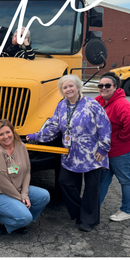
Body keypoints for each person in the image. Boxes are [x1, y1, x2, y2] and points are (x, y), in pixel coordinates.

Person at [27, 74, 111, 232]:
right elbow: (53, 127)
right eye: (65, 87)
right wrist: (35, 136)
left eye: (71, 86)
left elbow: (104, 125)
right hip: (70, 154)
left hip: (92, 154)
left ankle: (88, 220)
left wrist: (103, 147)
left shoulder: (91, 104)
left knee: (91, 188)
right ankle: (81, 212)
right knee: (64, 182)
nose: (68, 89)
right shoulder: (61, 105)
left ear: (78, 87)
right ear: (62, 91)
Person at [0, 119, 51, 234]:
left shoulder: (21, 146)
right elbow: (3, 183)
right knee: (25, 217)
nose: (5, 136)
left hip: (17, 189)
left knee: (44, 196)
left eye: (8, 132)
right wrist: (21, 199)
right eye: (1, 134)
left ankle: (18, 219)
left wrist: (24, 194)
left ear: (13, 132)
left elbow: (27, 171)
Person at [96, 73, 130, 222]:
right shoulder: (101, 101)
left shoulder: (121, 104)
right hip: (109, 151)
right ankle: (94, 206)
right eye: (101, 85)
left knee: (126, 180)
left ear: (115, 87)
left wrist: (121, 139)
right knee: (103, 179)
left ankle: (126, 210)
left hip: (124, 151)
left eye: (107, 85)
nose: (103, 88)